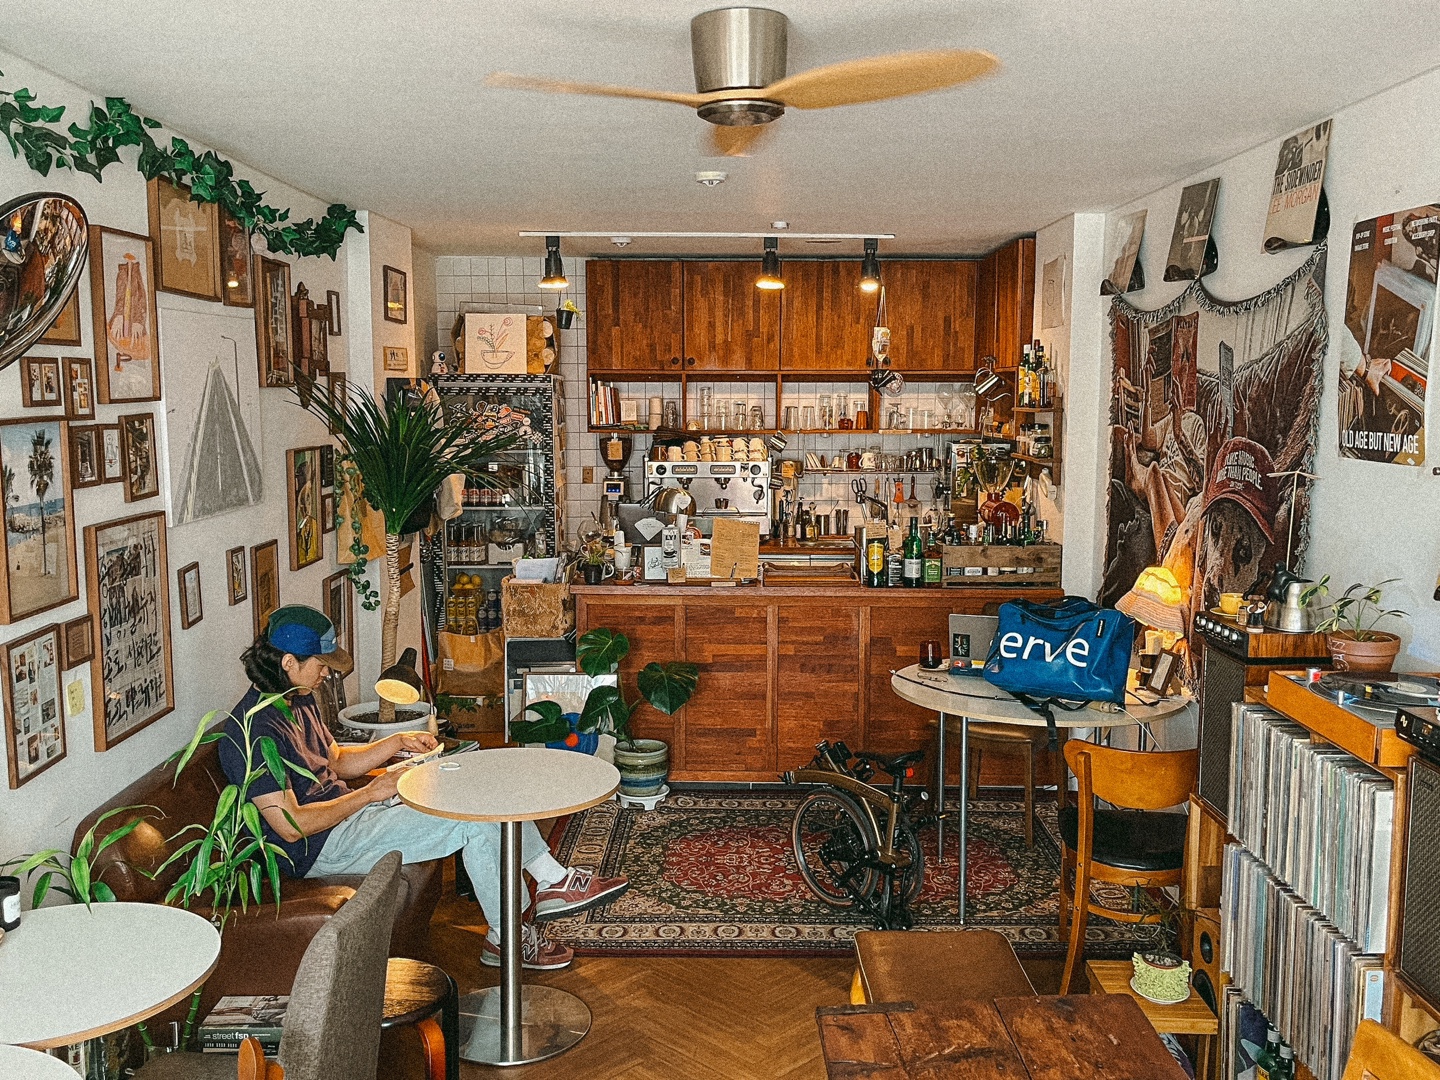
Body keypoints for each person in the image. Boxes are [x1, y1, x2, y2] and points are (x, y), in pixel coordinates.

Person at [218, 605, 627, 970]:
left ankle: (549, 882)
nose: (326, 673)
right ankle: (511, 934)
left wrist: (397, 742)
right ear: (289, 662)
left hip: (349, 818)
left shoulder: (296, 696)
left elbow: (336, 760)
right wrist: (371, 793)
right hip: (319, 849)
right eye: (320, 664)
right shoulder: (254, 731)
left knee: (477, 786)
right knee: (474, 820)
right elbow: (290, 826)